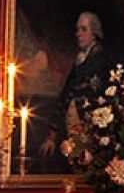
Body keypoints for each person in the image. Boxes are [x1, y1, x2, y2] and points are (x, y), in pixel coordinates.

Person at [40, 11, 117, 157]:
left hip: (92, 137)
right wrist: (52, 135)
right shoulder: (80, 60)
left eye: (83, 29)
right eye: (77, 30)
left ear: (94, 33)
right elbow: (66, 94)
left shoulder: (102, 61)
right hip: (70, 133)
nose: (78, 34)